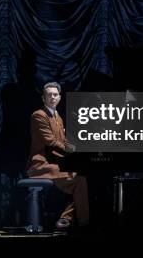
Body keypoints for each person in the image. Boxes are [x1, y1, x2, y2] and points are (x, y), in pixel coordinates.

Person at [26, 82, 89, 229]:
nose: (52, 97)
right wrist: (72, 150)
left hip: (55, 162)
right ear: (43, 98)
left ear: (59, 97)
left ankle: (67, 218)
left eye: (55, 94)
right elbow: (51, 141)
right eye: (49, 94)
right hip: (41, 165)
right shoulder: (38, 115)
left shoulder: (58, 117)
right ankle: (79, 222)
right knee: (79, 179)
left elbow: (64, 140)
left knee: (83, 178)